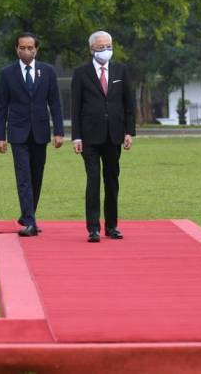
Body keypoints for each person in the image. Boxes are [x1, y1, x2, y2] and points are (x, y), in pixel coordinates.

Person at [0, 32, 64, 237]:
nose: (26, 51)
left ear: (36, 49)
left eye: (30, 48)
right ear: (16, 49)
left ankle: (28, 216)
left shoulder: (48, 72)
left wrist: (59, 132)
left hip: (40, 132)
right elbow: (2, 107)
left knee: (36, 176)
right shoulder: (7, 73)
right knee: (23, 176)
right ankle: (31, 222)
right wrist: (0, 136)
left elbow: (55, 103)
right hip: (17, 133)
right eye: (22, 48)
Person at [71, 30, 136, 243]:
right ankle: (93, 228)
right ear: (91, 49)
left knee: (112, 180)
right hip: (89, 136)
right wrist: (76, 136)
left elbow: (129, 104)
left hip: (114, 134)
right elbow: (75, 107)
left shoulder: (121, 70)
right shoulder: (81, 73)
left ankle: (112, 226)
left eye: (108, 46)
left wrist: (129, 132)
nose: (105, 50)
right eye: (101, 47)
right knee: (93, 179)